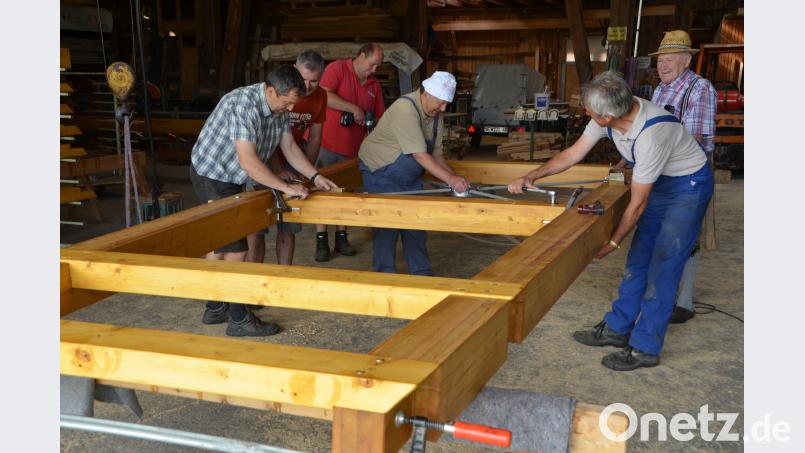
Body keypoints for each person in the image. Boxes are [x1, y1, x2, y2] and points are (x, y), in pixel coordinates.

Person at [508, 71, 713, 371]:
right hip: (661, 180)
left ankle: (645, 347)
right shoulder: (609, 115)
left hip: (687, 187)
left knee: (663, 265)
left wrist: (613, 243)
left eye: (588, 111)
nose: (585, 113)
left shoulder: (652, 135)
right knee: (640, 257)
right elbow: (572, 154)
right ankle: (617, 328)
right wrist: (532, 175)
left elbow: (637, 204)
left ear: (606, 116)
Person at [190, 65, 338, 337]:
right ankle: (237, 319)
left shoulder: (279, 107)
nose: (291, 109)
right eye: (287, 102)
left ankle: (215, 307)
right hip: (212, 173)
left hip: (233, 175)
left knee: (224, 242)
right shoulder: (242, 104)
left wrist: (315, 176)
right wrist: (284, 187)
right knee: (236, 247)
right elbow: (248, 161)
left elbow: (289, 148)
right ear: (270, 90)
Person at [358, 71, 470, 276]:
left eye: (447, 103)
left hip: (409, 176)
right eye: (442, 102)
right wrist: (451, 180)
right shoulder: (406, 109)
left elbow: (435, 153)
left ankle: (421, 274)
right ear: (427, 93)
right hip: (381, 172)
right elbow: (419, 154)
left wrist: (454, 180)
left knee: (416, 225)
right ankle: (385, 276)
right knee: (387, 227)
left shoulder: (436, 114)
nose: (444, 108)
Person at [649, 30, 718, 324]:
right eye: (660, 60)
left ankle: (685, 301)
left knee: (686, 236)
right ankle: (660, 293)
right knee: (661, 233)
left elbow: (697, 141)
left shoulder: (699, 89)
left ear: (686, 60)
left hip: (689, 172)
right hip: (661, 170)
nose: (663, 66)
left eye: (670, 60)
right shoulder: (660, 90)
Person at [245, 51, 328, 268]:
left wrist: (307, 173)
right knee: (257, 227)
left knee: (289, 223)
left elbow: (314, 138)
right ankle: (255, 280)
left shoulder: (320, 97)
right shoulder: (276, 94)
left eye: (315, 81)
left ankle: (284, 277)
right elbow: (265, 141)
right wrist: (278, 170)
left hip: (294, 158)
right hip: (263, 158)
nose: (308, 86)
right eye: (304, 80)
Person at [314, 43, 387, 262]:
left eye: (378, 66)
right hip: (326, 145)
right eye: (372, 64)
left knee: (345, 192)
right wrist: (353, 108)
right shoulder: (338, 69)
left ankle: (341, 237)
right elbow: (323, 95)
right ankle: (321, 240)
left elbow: (380, 117)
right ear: (361, 56)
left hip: (353, 151)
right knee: (323, 193)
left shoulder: (375, 85)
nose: (374, 70)